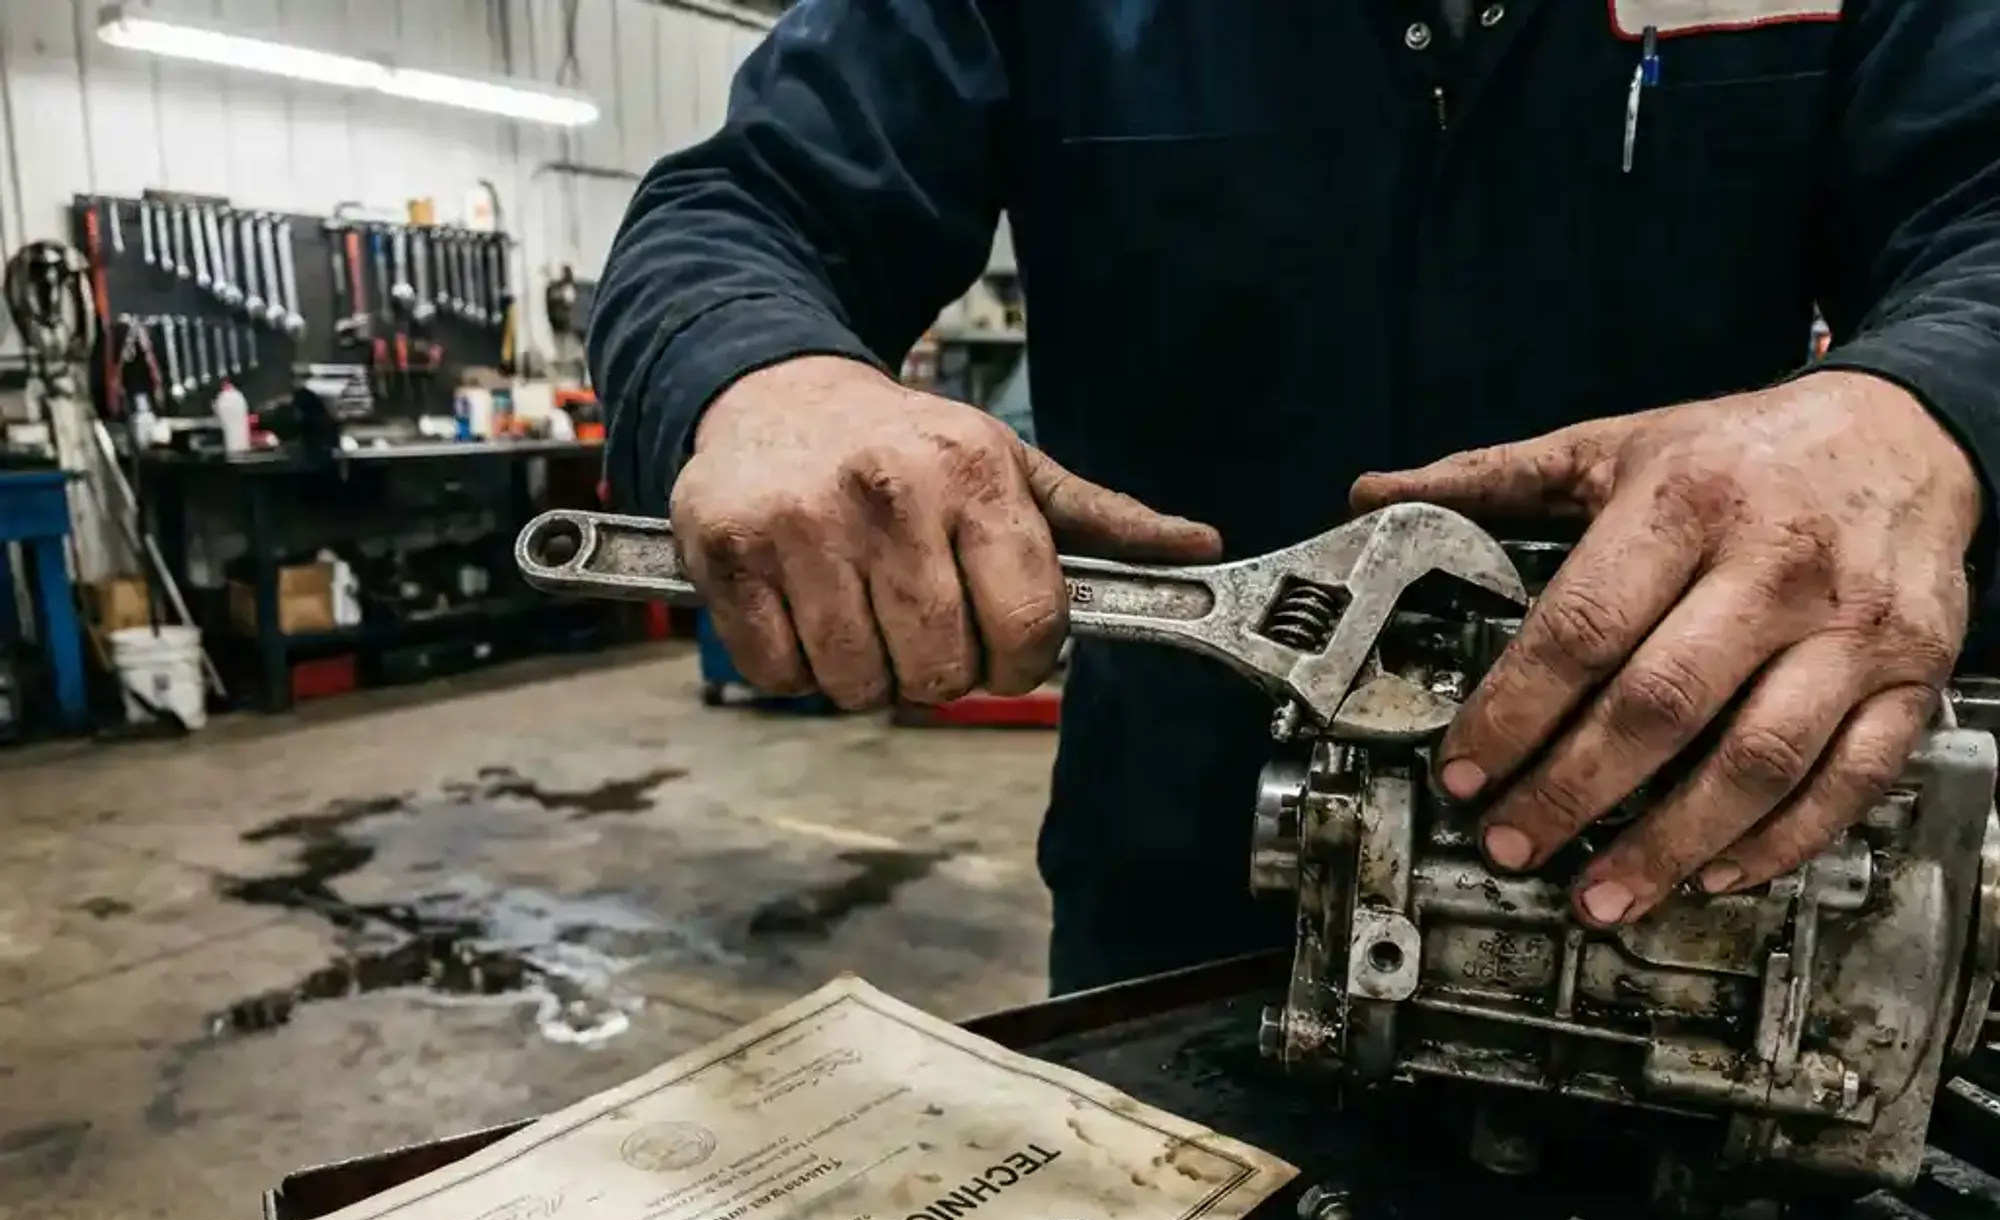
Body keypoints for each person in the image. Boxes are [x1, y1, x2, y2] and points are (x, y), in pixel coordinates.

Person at [590, 2, 2000, 996]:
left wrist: (1916, 409)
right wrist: (767, 377)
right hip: (1190, 914)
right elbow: (740, 211)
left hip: (1714, 910)